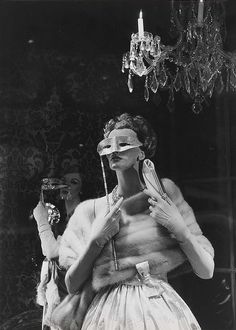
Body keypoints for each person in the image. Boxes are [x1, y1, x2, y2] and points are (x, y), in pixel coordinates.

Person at [57, 113, 214, 330]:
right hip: (109, 314)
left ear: (141, 152)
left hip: (159, 308)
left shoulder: (163, 195)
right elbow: (72, 285)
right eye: (108, 145)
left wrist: (180, 229)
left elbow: (207, 270)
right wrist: (96, 240)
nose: (114, 150)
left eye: (123, 143)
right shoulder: (91, 211)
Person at [33, 166, 83, 329]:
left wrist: (41, 221)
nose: (67, 186)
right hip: (56, 285)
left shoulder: (83, 215)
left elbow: (53, 252)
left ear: (82, 189)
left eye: (73, 182)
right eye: (64, 182)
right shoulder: (57, 215)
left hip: (73, 286)